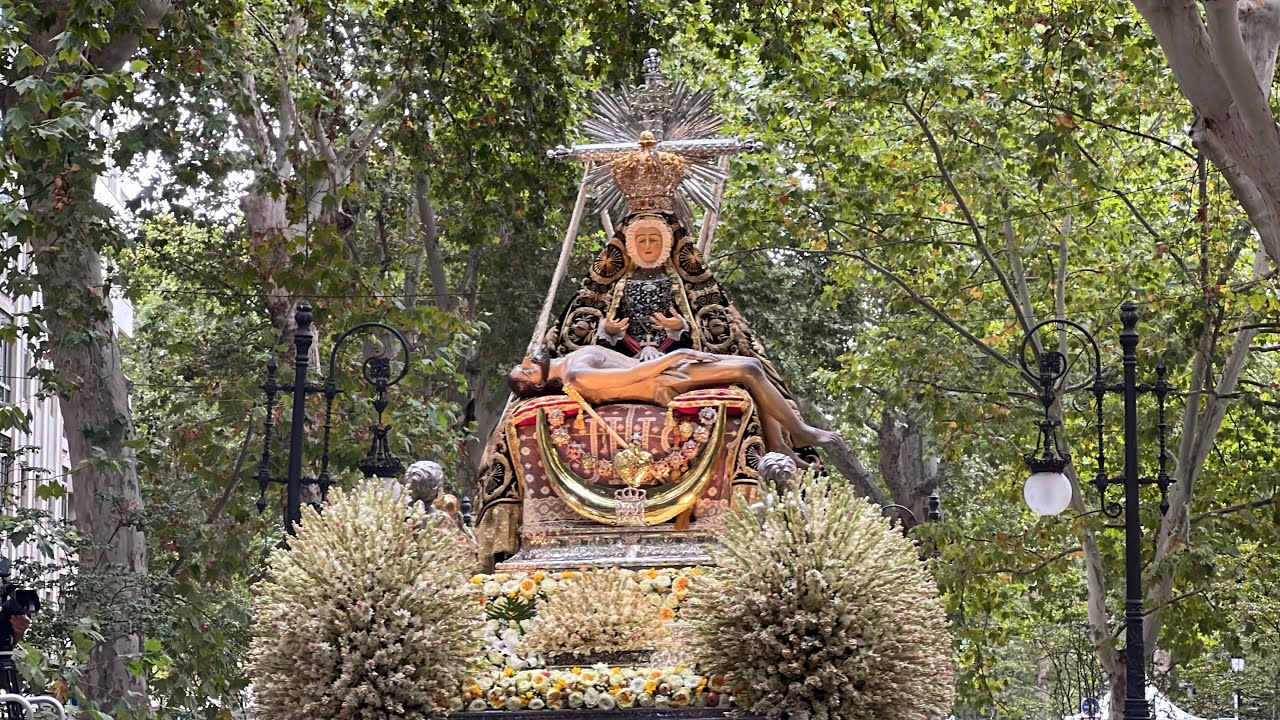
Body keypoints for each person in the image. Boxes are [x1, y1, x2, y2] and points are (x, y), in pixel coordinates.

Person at [508, 346, 838, 459]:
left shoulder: (572, 360)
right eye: (525, 370)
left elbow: (627, 361)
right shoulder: (578, 375)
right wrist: (675, 355)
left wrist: (652, 353)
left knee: (751, 365)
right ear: (536, 383)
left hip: (667, 368)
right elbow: (633, 376)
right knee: (749, 369)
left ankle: (778, 444)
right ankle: (800, 431)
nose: (527, 360)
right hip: (664, 382)